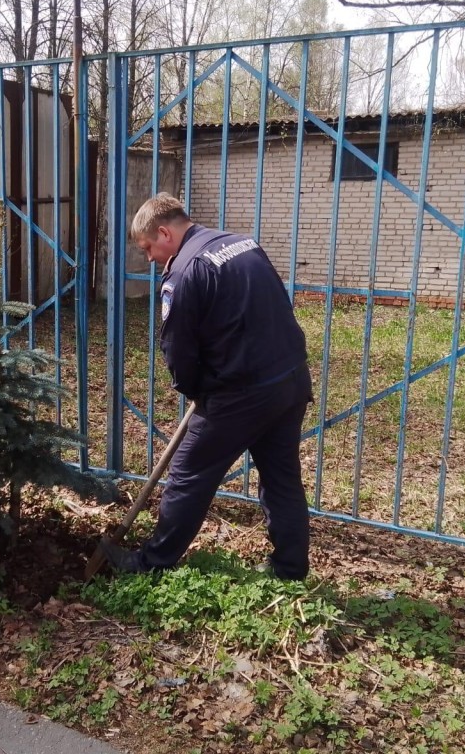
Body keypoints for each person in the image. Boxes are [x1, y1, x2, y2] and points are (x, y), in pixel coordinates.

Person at [102, 193, 312, 580]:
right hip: (290, 381)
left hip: (240, 393)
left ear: (164, 232)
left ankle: (152, 564)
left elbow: (178, 348)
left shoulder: (185, 271)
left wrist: (197, 389)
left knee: (188, 475)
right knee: (282, 478)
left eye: (148, 247)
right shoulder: (241, 242)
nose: (149, 258)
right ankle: (290, 568)